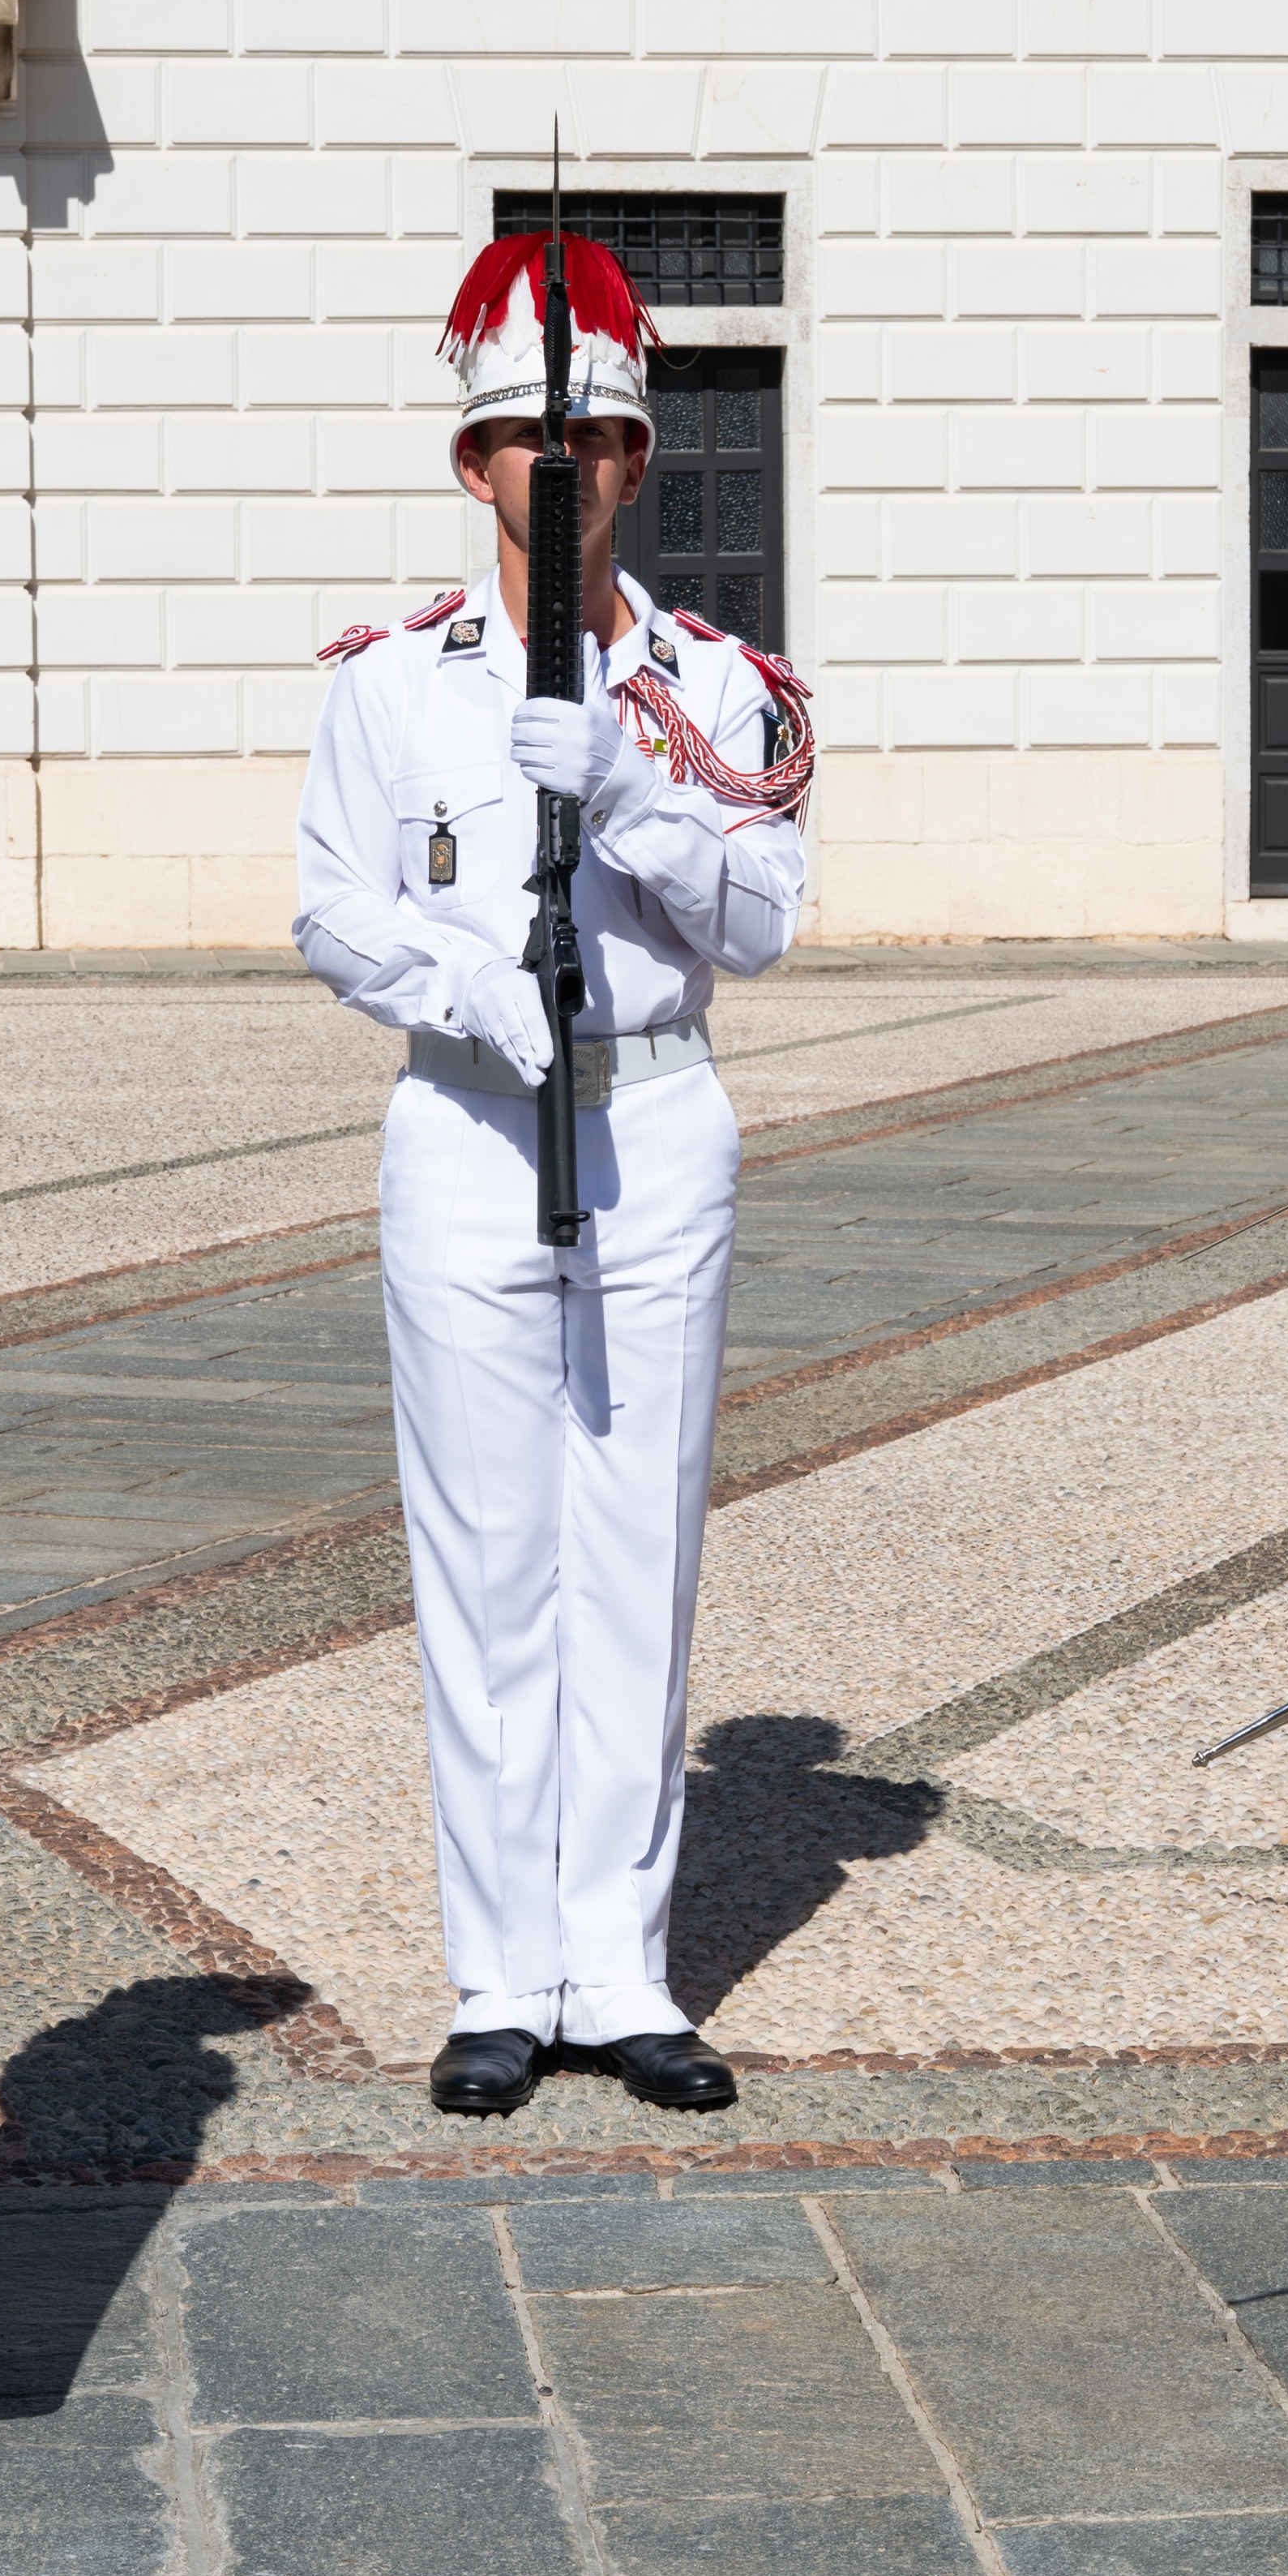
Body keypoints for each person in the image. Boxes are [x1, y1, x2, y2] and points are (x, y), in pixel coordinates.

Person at [293, 232, 811, 2118]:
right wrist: (467, 988)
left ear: (638, 464)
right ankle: (500, 1969)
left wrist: (636, 789)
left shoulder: (716, 686)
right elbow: (329, 903)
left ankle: (625, 1962)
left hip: (657, 1113)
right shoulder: (390, 685)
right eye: (521, 438)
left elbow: (762, 922)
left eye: (588, 443)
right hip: (466, 1116)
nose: (553, 471)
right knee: (486, 1559)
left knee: (635, 1551)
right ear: (472, 462)